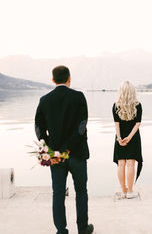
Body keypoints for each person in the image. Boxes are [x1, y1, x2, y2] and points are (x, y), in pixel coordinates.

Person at [35, 65, 94, 234]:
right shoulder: (78, 97)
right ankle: (82, 229)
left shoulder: (44, 100)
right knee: (81, 191)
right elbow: (82, 126)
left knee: (58, 193)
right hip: (77, 154)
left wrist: (49, 149)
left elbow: (39, 128)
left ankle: (61, 230)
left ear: (53, 80)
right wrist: (67, 149)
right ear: (69, 78)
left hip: (55, 157)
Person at [112, 81, 143, 199]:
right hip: (133, 137)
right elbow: (137, 124)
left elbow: (117, 124)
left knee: (121, 164)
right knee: (130, 163)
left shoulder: (116, 106)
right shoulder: (138, 105)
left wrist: (119, 138)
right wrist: (129, 138)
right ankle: (130, 192)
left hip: (120, 137)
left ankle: (124, 191)